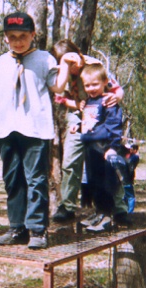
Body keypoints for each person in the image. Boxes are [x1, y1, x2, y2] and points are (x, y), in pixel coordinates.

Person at [0, 13, 80, 249]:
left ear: (32, 35)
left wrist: (66, 64)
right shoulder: (3, 61)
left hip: (35, 129)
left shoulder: (44, 59)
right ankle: (17, 228)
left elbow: (58, 86)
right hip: (7, 130)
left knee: (36, 179)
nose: (18, 41)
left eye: (23, 36)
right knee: (13, 180)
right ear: (6, 38)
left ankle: (38, 230)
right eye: (12, 36)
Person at [50, 39, 125, 223]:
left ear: (78, 56)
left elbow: (117, 89)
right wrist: (75, 104)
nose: (71, 69)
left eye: (72, 64)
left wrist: (115, 98)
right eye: (65, 65)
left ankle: (119, 208)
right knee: (70, 161)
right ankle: (67, 206)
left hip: (102, 116)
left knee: (109, 161)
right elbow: (60, 98)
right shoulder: (61, 73)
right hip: (79, 116)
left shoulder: (93, 65)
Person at [72, 63, 131, 232]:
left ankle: (108, 217)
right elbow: (90, 121)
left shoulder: (108, 101)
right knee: (94, 182)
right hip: (91, 148)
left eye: (95, 84)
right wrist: (78, 125)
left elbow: (114, 124)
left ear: (105, 81)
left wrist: (113, 147)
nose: (91, 88)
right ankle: (99, 213)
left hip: (104, 148)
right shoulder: (89, 101)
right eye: (87, 85)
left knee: (107, 183)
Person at [123, 144, 139, 213]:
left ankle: (129, 211)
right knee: (127, 196)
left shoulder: (134, 157)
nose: (130, 150)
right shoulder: (128, 156)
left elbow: (130, 168)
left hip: (127, 179)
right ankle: (127, 211)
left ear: (135, 150)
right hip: (126, 179)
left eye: (131, 149)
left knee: (129, 196)